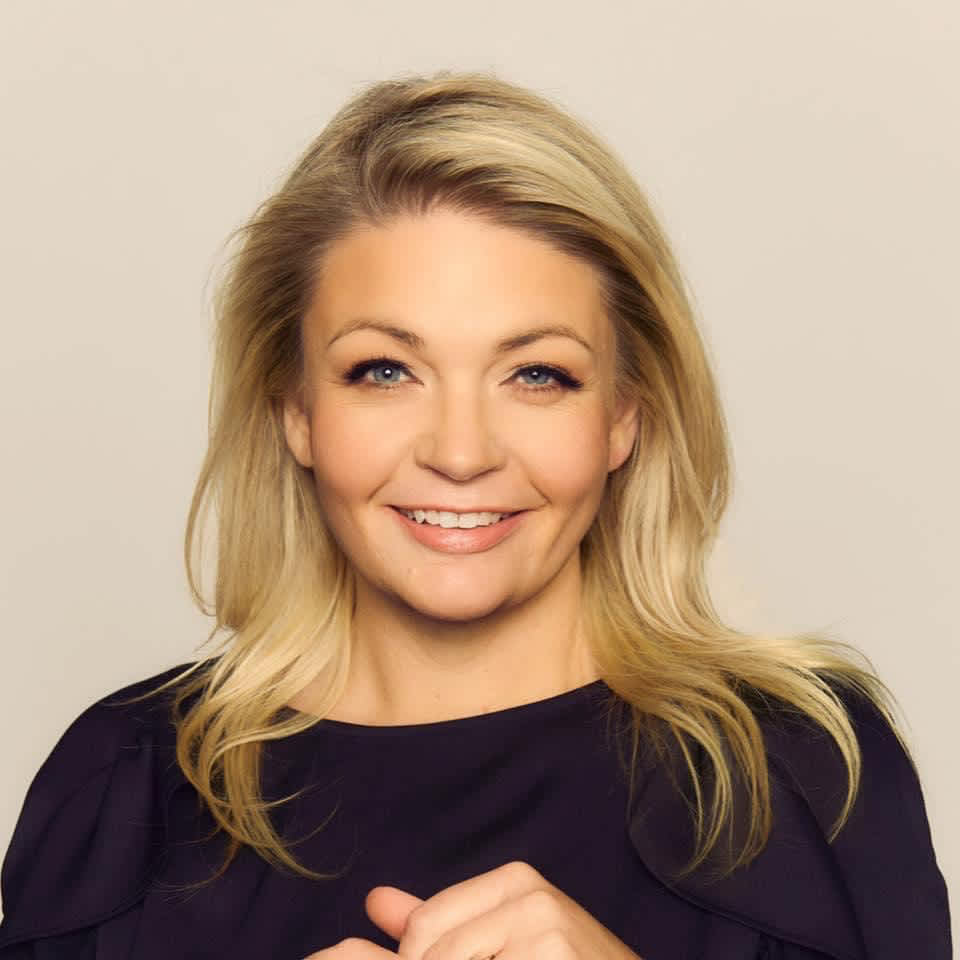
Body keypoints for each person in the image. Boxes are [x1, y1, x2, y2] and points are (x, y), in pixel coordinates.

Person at [0, 70, 951, 960]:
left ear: (625, 414)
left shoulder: (801, 775)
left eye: (538, 374)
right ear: (296, 410)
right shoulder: (122, 794)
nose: (460, 454)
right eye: (385, 370)